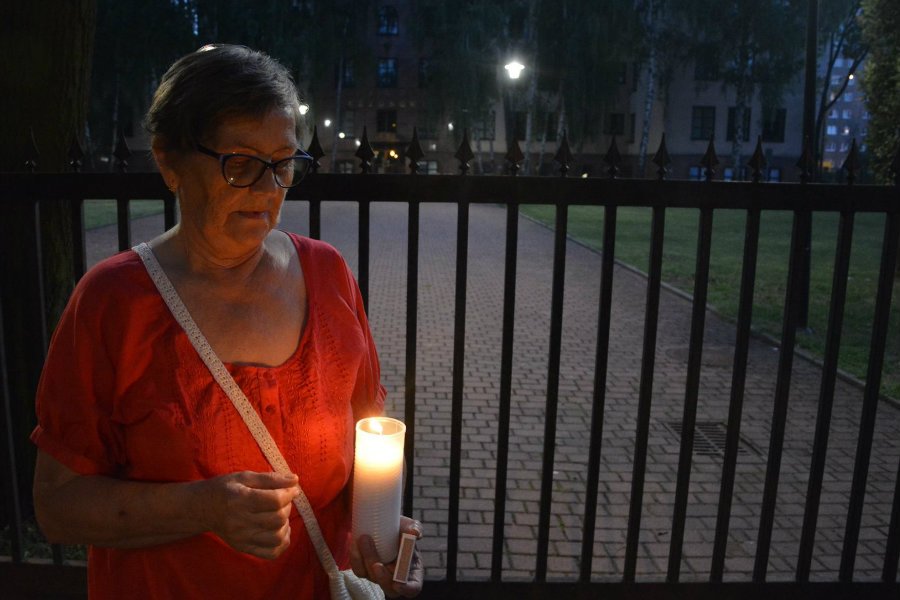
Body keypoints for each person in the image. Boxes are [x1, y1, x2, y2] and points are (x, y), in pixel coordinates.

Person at [31, 44, 423, 599]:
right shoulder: (113, 301)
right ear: (169, 161)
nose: (268, 190)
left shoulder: (329, 275)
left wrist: (383, 543)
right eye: (239, 164)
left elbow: (366, 444)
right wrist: (203, 507)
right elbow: (57, 505)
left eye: (284, 163)